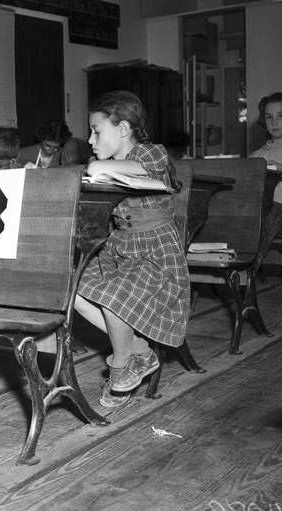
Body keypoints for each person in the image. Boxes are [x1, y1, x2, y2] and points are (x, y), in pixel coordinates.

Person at [74, 91, 190, 408]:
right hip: (121, 248)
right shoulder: (111, 165)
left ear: (123, 129)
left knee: (113, 298)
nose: (89, 139)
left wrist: (96, 165)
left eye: (96, 131)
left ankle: (121, 366)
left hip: (156, 253)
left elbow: (138, 168)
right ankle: (140, 351)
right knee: (78, 295)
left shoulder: (152, 153)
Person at [249, 92, 282, 256]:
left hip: (281, 212)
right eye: (269, 117)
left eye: (281, 116)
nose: (274, 122)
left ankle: (250, 268)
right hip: (262, 211)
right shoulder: (258, 154)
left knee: (271, 213)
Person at [18, 119, 92, 168]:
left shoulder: (63, 153)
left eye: (56, 148)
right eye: (48, 146)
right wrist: (22, 165)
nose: (52, 150)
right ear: (41, 140)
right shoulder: (24, 153)